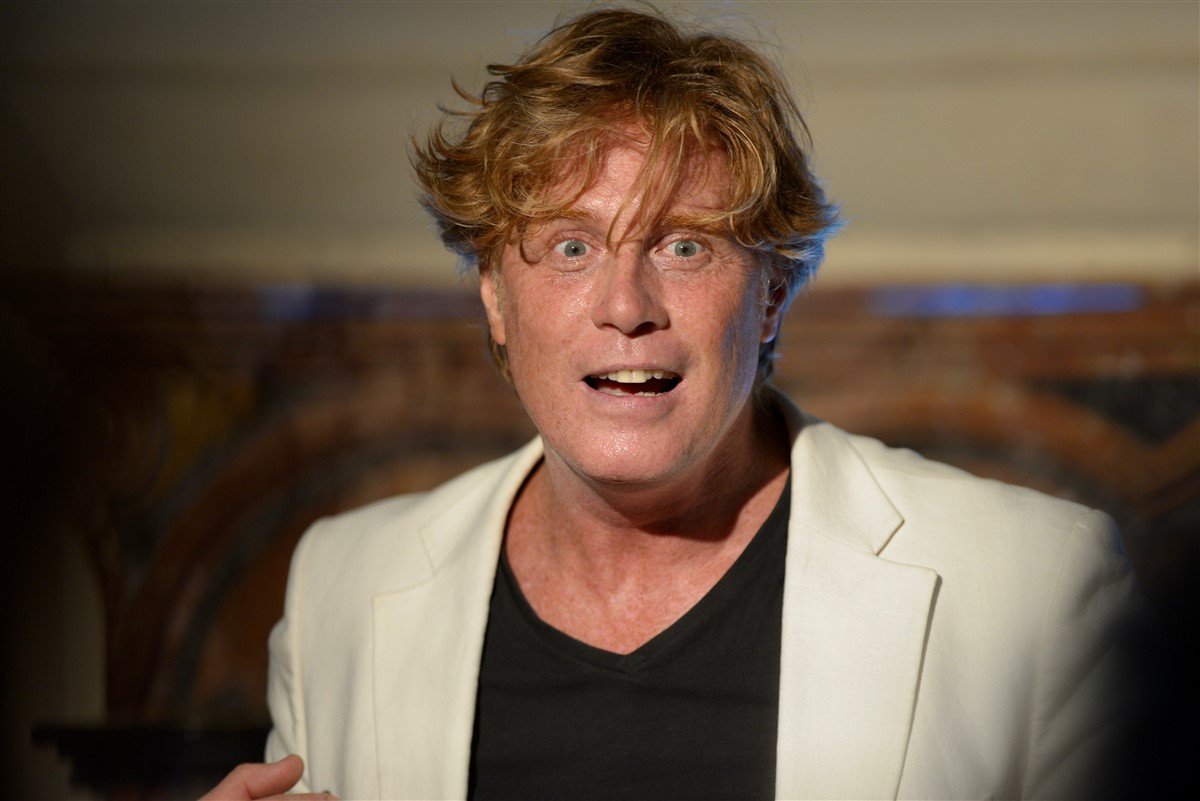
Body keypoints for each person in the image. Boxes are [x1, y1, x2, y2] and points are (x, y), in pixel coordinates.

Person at [205, 7, 1136, 800]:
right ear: (494, 294)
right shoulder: (342, 587)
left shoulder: (1032, 589)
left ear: (771, 294)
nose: (626, 306)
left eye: (685, 246)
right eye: (571, 246)